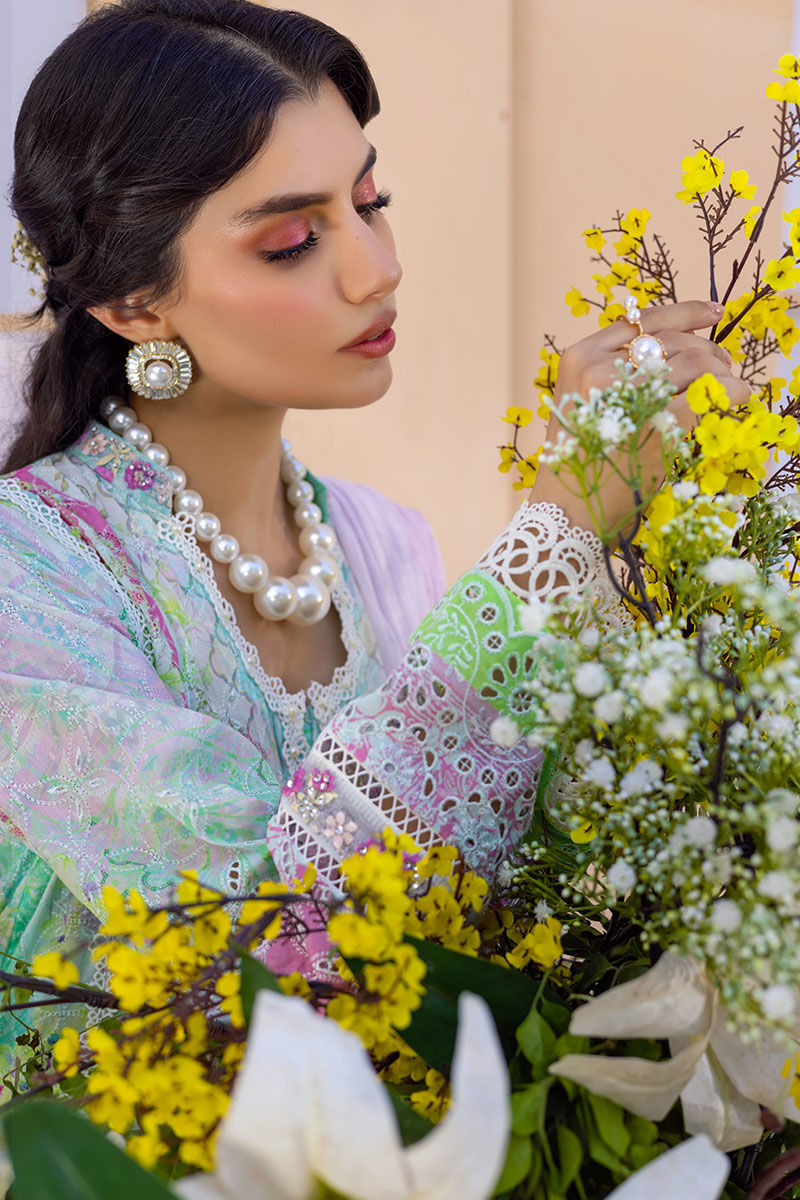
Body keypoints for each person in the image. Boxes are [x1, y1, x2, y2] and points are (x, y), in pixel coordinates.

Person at [0, 0, 745, 1065]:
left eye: (370, 200)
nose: (375, 268)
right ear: (132, 303)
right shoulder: (27, 572)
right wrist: (550, 543)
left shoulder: (386, 545)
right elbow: (266, 951)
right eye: (294, 240)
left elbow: (495, 910)